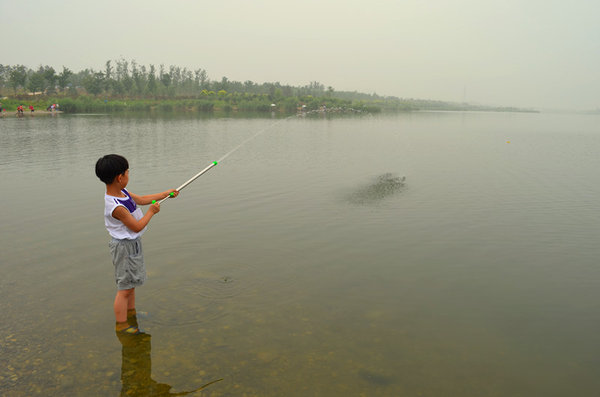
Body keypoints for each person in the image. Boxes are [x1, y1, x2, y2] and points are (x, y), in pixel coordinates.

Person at [95, 154, 179, 334]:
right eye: (127, 173)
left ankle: (131, 315)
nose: (128, 175)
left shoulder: (122, 192)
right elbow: (136, 226)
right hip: (123, 248)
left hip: (132, 244)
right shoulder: (116, 206)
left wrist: (165, 194)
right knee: (124, 288)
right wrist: (152, 212)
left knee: (131, 285)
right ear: (120, 177)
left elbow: (141, 199)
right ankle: (122, 324)